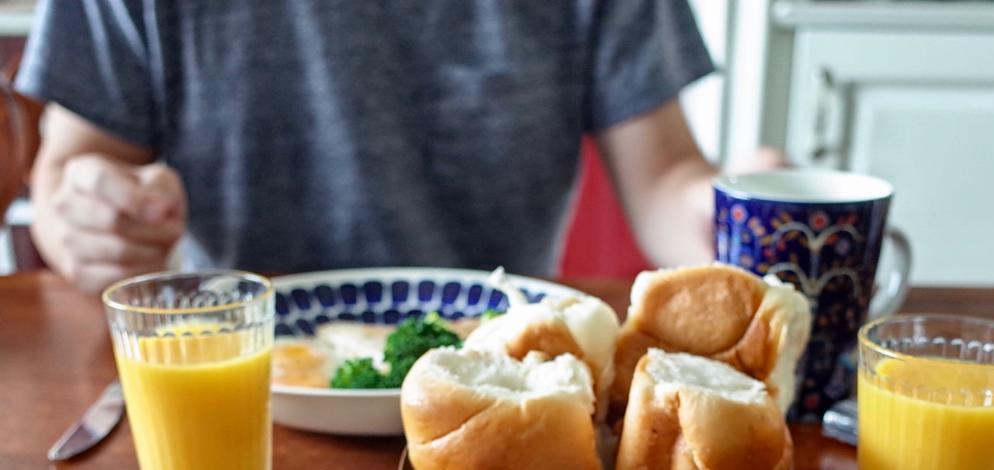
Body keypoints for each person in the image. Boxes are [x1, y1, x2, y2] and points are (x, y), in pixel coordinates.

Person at [17, 1, 750, 294]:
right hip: (244, 382)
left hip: (507, 375)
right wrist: (86, 215)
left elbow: (666, 175)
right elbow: (69, 169)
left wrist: (732, 218)